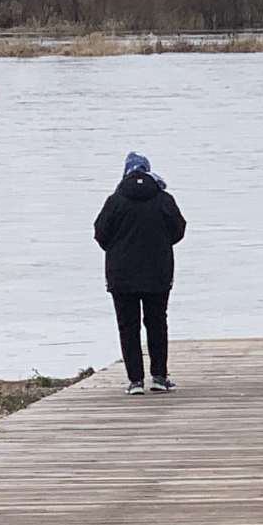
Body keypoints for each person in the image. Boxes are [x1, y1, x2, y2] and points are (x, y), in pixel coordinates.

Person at [93, 150, 187, 395]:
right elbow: (178, 230)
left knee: (128, 326)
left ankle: (135, 381)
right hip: (158, 273)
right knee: (157, 323)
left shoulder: (115, 201)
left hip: (121, 276)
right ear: (148, 171)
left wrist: (116, 249)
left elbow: (100, 234)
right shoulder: (164, 199)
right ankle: (159, 376)